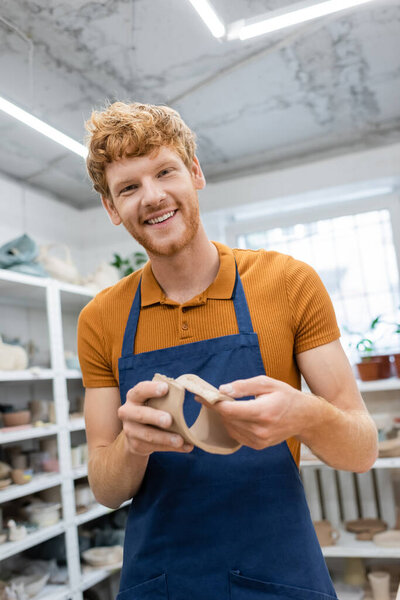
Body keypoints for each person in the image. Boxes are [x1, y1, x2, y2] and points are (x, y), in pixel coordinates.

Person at [78, 101, 378, 600]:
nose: (152, 197)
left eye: (165, 171)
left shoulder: (288, 283)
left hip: (279, 572)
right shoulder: (100, 318)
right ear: (112, 208)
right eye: (128, 187)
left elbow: (363, 448)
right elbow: (106, 489)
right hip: (162, 581)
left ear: (194, 172)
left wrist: (306, 415)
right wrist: (131, 446)